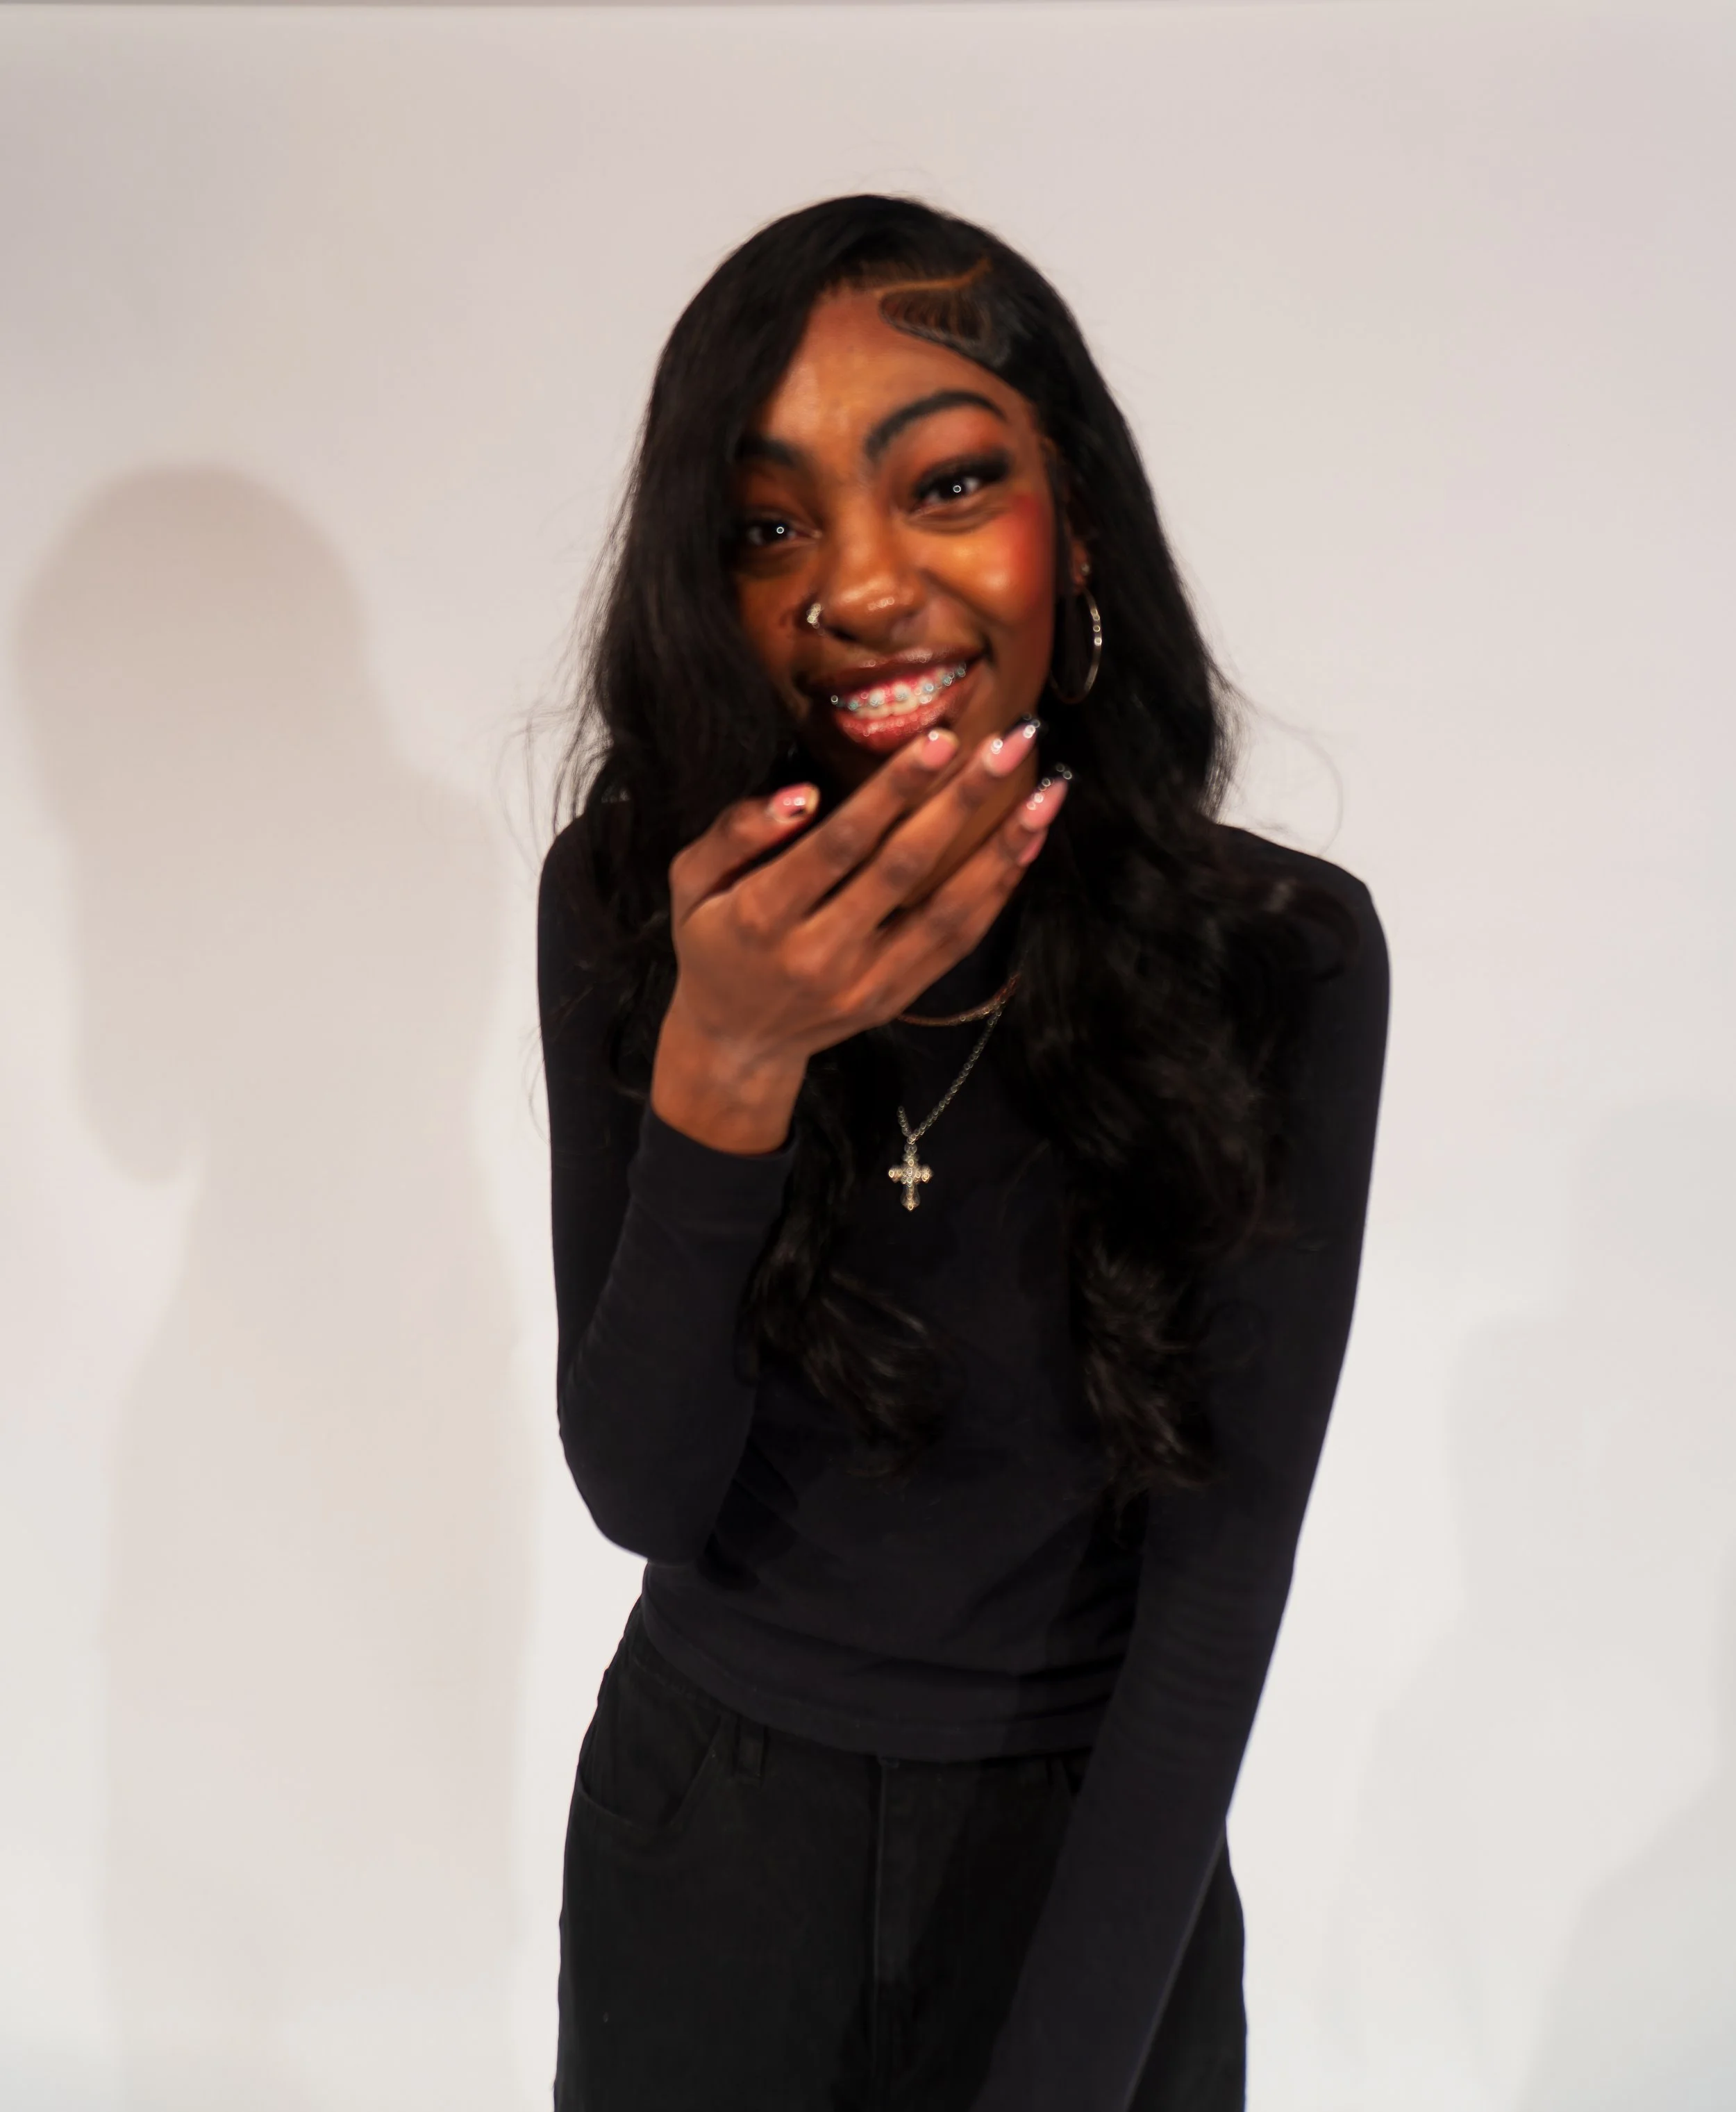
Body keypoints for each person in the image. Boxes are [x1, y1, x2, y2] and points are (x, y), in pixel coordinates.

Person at [537, 195, 1387, 2112]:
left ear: (1073, 522)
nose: (857, 584)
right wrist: (726, 1063)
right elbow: (644, 1490)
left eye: (944, 486)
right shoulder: (634, 899)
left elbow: (1218, 1599)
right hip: (708, 1845)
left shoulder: (1281, 957)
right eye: (768, 526)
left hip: (1097, 1868)